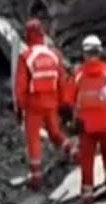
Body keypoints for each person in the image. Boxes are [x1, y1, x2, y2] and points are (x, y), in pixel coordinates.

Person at [13, 19, 74, 192]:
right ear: (42, 34)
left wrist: (20, 108)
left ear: (28, 36)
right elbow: (62, 82)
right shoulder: (54, 55)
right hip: (52, 102)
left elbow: (21, 87)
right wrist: (65, 104)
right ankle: (73, 151)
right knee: (55, 132)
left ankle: (36, 178)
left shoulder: (26, 57)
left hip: (34, 104)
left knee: (34, 139)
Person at [66, 34, 106, 200]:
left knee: (87, 158)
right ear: (100, 51)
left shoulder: (78, 74)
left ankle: (87, 193)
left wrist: (73, 120)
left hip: (86, 125)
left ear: (84, 53)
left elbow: (68, 99)